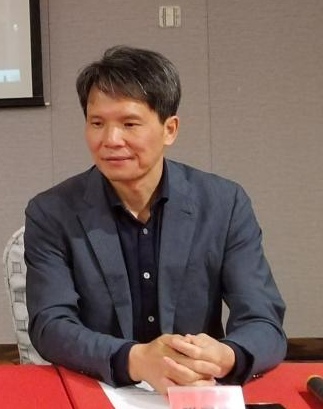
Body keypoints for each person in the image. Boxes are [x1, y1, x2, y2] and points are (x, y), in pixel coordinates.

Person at [24, 47, 286, 394]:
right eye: (97, 123)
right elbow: (50, 325)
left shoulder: (224, 204)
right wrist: (136, 360)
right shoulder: (51, 211)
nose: (111, 140)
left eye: (129, 124)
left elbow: (263, 320)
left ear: (169, 129)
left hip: (198, 387)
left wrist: (223, 356)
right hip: (99, 387)